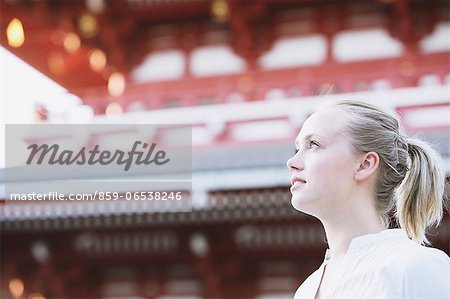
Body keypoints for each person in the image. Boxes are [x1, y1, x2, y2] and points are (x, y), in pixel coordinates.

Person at [286, 100, 450, 299]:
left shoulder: (414, 268)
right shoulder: (306, 290)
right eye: (297, 149)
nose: (292, 162)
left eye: (314, 145)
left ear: (365, 164)